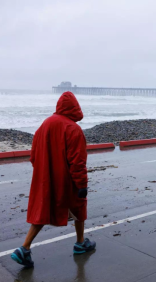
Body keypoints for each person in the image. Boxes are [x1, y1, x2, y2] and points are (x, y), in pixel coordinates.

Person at [11, 92, 95, 268]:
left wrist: (44, 172)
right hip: (66, 179)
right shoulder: (73, 129)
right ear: (75, 107)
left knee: (44, 210)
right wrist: (82, 184)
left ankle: (25, 248)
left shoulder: (45, 124)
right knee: (79, 205)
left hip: (45, 177)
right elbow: (77, 161)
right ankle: (80, 243)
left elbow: (33, 156)